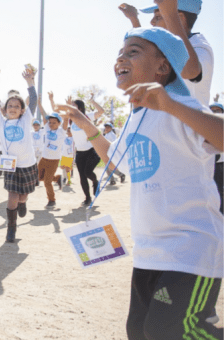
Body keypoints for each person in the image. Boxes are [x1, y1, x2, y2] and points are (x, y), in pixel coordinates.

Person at [56, 27, 223, 340]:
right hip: (149, 250)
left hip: (191, 247)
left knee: (168, 332)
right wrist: (83, 121)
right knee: (139, 331)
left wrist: (172, 106)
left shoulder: (181, 108)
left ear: (162, 67)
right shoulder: (136, 117)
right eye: (120, 52)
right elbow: (116, 159)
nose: (121, 57)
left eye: (133, 51)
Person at [119, 0, 213, 106]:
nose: (152, 22)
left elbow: (190, 71)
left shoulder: (199, 46)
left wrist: (172, 17)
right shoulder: (169, 48)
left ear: (178, 18)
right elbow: (146, 52)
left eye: (158, 17)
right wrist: (134, 19)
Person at [0, 67, 38, 242]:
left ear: (22, 110)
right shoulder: (0, 122)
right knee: (12, 196)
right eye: (10, 105)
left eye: (17, 106)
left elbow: (33, 101)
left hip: (28, 164)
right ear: (4, 109)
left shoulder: (25, 120)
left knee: (23, 195)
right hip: (11, 165)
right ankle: (11, 228)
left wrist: (30, 82)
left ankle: (23, 203)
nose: (13, 108)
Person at [65, 93, 104, 206]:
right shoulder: (71, 119)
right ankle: (87, 198)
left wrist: (92, 101)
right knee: (82, 176)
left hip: (92, 150)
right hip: (80, 152)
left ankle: (95, 181)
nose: (71, 107)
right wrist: (67, 106)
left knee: (88, 172)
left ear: (80, 108)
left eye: (73, 105)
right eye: (71, 105)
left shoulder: (87, 116)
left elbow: (101, 111)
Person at [37, 97, 68, 208]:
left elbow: (66, 120)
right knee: (38, 178)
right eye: (50, 122)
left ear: (59, 123)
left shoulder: (62, 131)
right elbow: (43, 114)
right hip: (44, 158)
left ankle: (52, 200)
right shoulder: (47, 129)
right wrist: (39, 104)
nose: (51, 124)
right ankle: (57, 178)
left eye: (54, 123)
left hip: (54, 161)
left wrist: (68, 108)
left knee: (47, 182)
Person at [210, 102, 224, 215]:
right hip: (212, 165)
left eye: (217, 110)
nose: (214, 113)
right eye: (212, 110)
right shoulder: (204, 126)